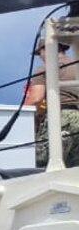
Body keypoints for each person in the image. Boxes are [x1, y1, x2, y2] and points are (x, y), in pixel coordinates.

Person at [26, 32, 79, 168]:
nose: (41, 58)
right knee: (73, 169)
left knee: (40, 163)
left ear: (45, 50)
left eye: (40, 53)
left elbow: (35, 99)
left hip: (60, 118)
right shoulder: (76, 66)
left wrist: (29, 120)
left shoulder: (45, 69)